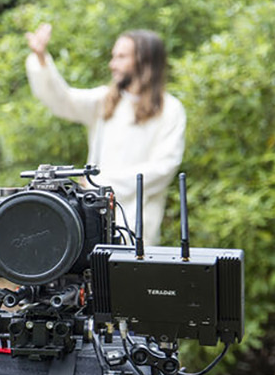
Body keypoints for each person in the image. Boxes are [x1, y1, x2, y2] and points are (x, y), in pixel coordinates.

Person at [24, 23, 186, 240]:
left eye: (121, 57)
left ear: (144, 60)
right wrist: (41, 58)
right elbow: (62, 100)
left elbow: (163, 168)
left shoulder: (170, 110)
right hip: (95, 219)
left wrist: (102, 183)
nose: (112, 64)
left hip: (139, 225)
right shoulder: (104, 100)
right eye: (113, 56)